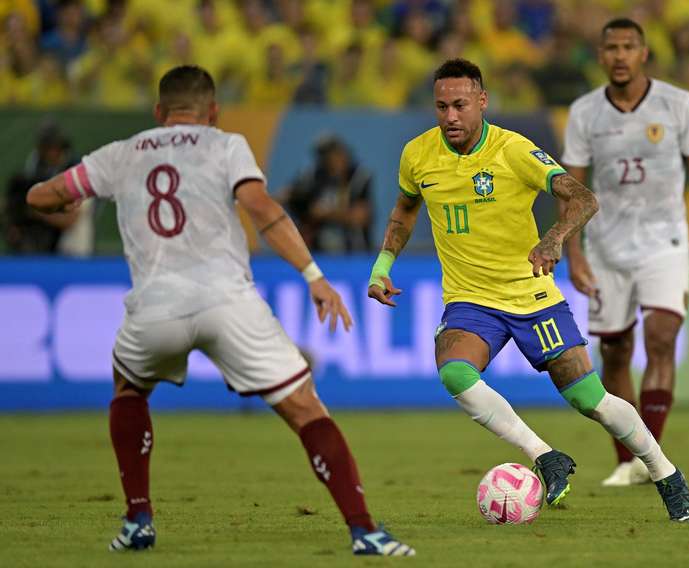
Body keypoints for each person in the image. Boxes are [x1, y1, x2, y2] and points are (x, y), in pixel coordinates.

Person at [26, 65, 414, 557]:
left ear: (158, 112)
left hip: (155, 308)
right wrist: (314, 276)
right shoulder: (225, 144)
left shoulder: (119, 155)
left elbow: (44, 195)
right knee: (304, 408)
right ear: (212, 112)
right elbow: (261, 207)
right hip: (227, 300)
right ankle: (364, 531)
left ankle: (138, 519)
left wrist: (51, 203)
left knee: (128, 387)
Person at [367, 58, 689, 523]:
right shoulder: (417, 155)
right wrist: (382, 266)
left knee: (590, 401)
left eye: (460, 105)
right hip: (470, 299)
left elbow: (584, 198)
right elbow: (404, 210)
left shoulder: (513, 151)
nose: (450, 117)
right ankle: (544, 455)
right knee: (454, 373)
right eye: (441, 106)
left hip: (531, 297)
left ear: (482, 101)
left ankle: (666, 473)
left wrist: (554, 237)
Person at [561, 19, 689, 487]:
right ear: (600, 56)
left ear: (644, 54)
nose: (620, 55)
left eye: (629, 47)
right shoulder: (584, 113)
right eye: (611, 48)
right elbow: (572, 189)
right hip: (605, 247)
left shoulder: (677, 104)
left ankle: (648, 458)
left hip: (666, 241)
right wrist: (574, 253)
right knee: (615, 352)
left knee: (661, 338)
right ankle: (627, 458)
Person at [283, 134, 372, 253]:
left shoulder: (359, 177)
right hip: (319, 252)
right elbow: (286, 196)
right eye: (324, 156)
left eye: (333, 154)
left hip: (353, 253)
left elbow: (359, 217)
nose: (331, 160)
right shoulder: (313, 176)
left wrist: (325, 213)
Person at [5, 122, 83, 253]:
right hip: (47, 215)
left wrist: (39, 211)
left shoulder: (74, 167)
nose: (50, 152)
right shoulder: (35, 162)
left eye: (53, 147)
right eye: (46, 147)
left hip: (69, 214)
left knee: (76, 240)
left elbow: (72, 218)